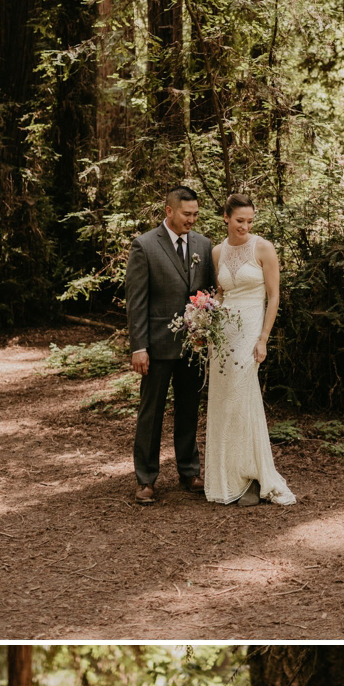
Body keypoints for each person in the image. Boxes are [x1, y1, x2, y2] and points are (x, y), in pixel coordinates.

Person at [124, 184, 218, 507]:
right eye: (186, 214)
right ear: (169, 211)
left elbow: (206, 292)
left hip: (193, 343)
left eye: (195, 214)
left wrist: (206, 327)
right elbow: (136, 302)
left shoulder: (204, 246)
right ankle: (146, 479)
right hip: (157, 345)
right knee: (151, 412)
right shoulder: (145, 246)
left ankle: (189, 471)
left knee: (189, 409)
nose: (192, 219)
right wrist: (139, 346)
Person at [202, 193, 296, 506]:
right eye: (239, 220)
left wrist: (263, 338)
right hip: (223, 333)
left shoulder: (263, 248)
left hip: (251, 328)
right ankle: (229, 476)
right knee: (223, 401)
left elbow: (274, 296)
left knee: (243, 399)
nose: (245, 226)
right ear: (226, 218)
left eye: (250, 221)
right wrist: (202, 321)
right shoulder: (217, 252)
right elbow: (218, 294)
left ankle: (255, 476)